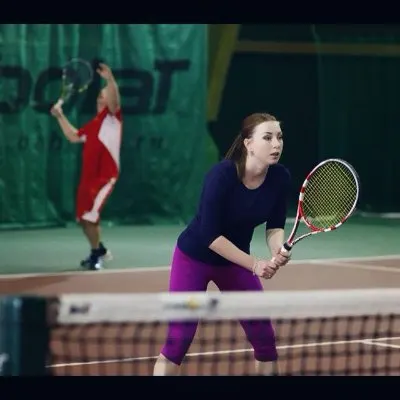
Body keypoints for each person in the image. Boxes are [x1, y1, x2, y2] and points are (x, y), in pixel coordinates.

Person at [153, 112, 292, 376]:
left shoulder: (279, 177)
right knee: (179, 338)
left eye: (279, 137)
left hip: (234, 264)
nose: (276, 144)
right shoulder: (221, 175)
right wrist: (255, 265)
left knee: (264, 338)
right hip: (194, 258)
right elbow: (210, 236)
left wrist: (277, 248)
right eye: (267, 137)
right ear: (248, 143)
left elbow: (274, 225)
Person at [50, 63, 122, 271]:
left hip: (105, 177)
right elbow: (73, 137)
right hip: (87, 178)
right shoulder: (94, 123)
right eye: (104, 93)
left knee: (91, 216)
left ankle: (95, 254)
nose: (106, 95)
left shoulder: (113, 119)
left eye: (107, 93)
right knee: (83, 218)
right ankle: (99, 249)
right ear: (100, 99)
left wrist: (110, 80)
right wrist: (60, 116)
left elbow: (116, 101)